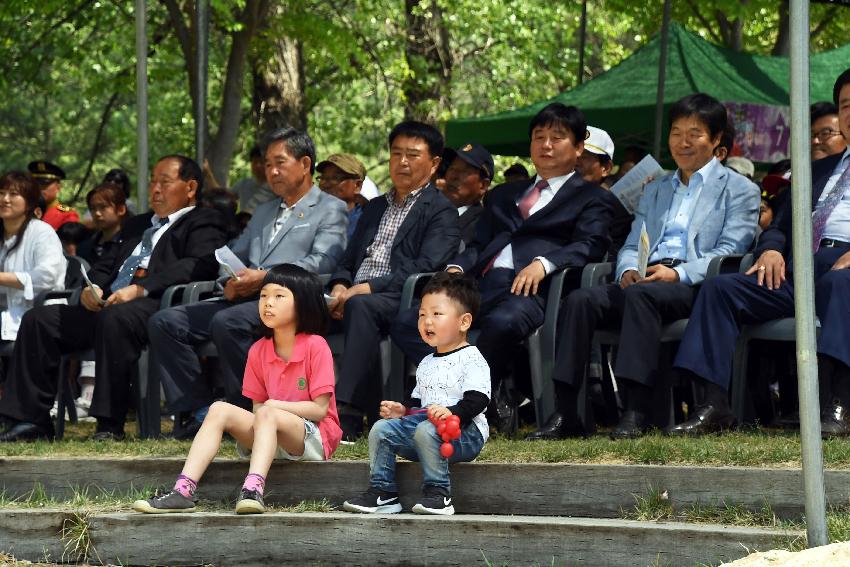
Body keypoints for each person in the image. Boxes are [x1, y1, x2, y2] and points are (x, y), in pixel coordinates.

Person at [527, 93, 760, 440]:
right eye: (676, 132)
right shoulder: (657, 188)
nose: (683, 142)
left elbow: (730, 251)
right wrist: (626, 269)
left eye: (694, 133)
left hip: (694, 284)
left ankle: (638, 410)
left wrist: (677, 273)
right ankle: (568, 411)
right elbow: (634, 241)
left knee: (643, 297)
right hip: (645, 277)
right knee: (580, 300)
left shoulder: (739, 189)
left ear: (715, 141)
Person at [390, 103, 618, 435]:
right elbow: (481, 245)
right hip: (482, 285)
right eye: (539, 137)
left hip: (534, 291)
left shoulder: (590, 197)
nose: (547, 145)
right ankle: (483, 396)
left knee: (503, 322)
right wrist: (456, 267)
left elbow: (591, 244)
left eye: (557, 137)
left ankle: (471, 401)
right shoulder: (504, 195)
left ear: (578, 147)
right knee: (408, 321)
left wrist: (545, 263)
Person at [671, 68, 850, 436]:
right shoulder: (817, 169)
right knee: (720, 288)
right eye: (846, 105)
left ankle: (837, 406)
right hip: (797, 271)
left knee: (839, 285)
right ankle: (713, 405)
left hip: (844, 271)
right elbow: (781, 225)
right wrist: (770, 250)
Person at [0, 155, 228, 442]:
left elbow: (199, 264)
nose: (155, 188)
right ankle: (30, 420)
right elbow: (109, 263)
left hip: (158, 303)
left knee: (114, 319)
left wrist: (141, 288)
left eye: (164, 182)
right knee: (40, 319)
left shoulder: (204, 220)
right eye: (152, 181)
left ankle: (109, 423)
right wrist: (91, 286)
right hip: (111, 302)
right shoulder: (138, 224)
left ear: (191, 187)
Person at [148, 128, 347, 440]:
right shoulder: (265, 210)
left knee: (227, 322)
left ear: (305, 164)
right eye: (267, 165)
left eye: (280, 162)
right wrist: (229, 280)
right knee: (166, 321)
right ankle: (198, 411)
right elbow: (233, 254)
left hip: (295, 300)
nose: (272, 171)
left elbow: (323, 261)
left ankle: (244, 412)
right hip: (247, 298)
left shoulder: (330, 207)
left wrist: (266, 278)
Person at [133, 265, 341, 514]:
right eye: (263, 296)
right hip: (271, 433)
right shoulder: (258, 350)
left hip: (313, 438)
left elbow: (319, 410)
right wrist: (269, 410)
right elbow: (257, 408)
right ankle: (183, 491)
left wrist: (276, 407)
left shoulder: (315, 345)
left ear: (303, 304)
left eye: (279, 296)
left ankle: (252, 490)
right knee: (219, 409)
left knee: (267, 411)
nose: (268, 303)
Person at [328, 120, 460, 440]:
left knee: (362, 307)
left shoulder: (441, 210)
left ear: (434, 163)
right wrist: (340, 286)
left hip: (402, 295)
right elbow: (347, 259)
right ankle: (277, 407)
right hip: (357, 295)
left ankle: (343, 414)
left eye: (413, 155)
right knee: (293, 307)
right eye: (396, 153)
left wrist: (366, 287)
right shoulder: (374, 208)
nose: (402, 162)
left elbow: (428, 264)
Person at [342, 272, 489, 516]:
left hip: (464, 433)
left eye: (436, 314)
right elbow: (420, 404)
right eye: (422, 315)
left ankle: (439, 494)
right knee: (381, 429)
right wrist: (404, 410)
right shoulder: (426, 362)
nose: (427, 322)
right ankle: (383, 492)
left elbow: (478, 400)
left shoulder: (472, 358)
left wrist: (450, 413)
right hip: (428, 429)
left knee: (425, 430)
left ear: (464, 322)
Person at [0, 172, 66, 345]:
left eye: (13, 194)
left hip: (38, 314)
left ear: (29, 202)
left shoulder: (42, 232)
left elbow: (46, 277)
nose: (5, 199)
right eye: (1, 193)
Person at [575, 125, 632, 258]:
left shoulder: (615, 207)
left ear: (606, 168)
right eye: (574, 154)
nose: (576, 162)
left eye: (585, 156)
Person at [440, 143, 492, 247]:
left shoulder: (483, 225)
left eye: (464, 171)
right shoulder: (426, 210)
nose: (454, 176)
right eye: (452, 168)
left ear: (483, 185)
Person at [77, 182, 131, 266]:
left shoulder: (132, 245)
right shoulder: (84, 248)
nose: (97, 213)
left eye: (103, 207)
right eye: (92, 208)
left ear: (121, 209)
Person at [316, 153, 367, 239]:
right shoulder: (309, 214)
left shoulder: (365, 226)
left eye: (336, 178)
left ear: (357, 186)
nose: (325, 184)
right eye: (323, 177)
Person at [28, 161, 79, 230]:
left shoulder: (67, 214)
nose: (39, 187)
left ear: (58, 187)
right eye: (35, 184)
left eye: (44, 184)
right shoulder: (24, 210)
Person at [231, 145, 277, 214]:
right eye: (255, 162)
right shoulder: (243, 184)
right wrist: (209, 174)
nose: (258, 166)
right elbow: (222, 196)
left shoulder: (277, 186)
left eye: (261, 162)